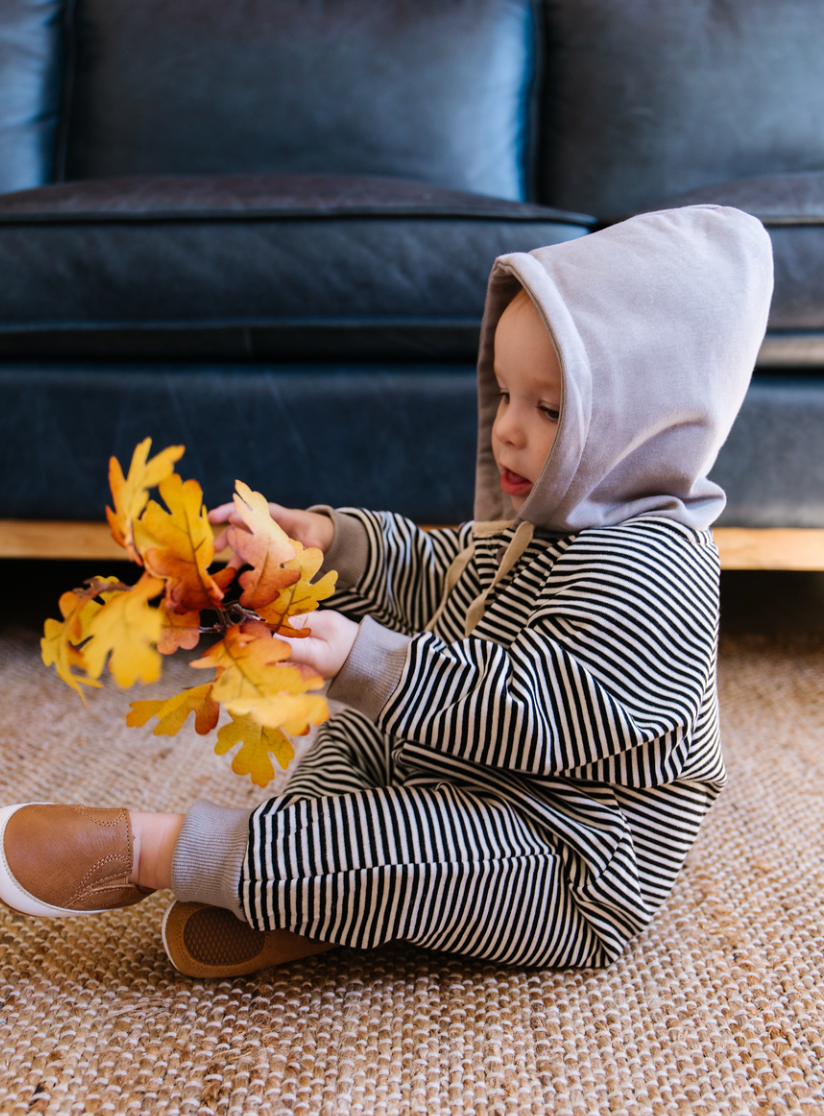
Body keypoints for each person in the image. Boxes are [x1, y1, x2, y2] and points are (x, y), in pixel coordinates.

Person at [0, 206, 773, 979]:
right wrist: (329, 541)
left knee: (417, 839)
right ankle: (310, 889)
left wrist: (367, 661)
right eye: (504, 394)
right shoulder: (545, 523)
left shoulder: (655, 568)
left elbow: (540, 714)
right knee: (356, 740)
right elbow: (438, 573)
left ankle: (150, 851)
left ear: (649, 425)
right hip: (467, 770)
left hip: (566, 856)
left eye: (549, 409)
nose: (507, 429)